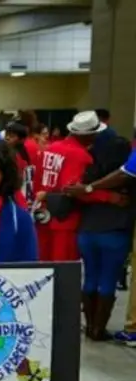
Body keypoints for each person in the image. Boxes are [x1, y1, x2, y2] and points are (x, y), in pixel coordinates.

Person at [60, 111, 134, 341]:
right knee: (108, 280)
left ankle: (89, 325)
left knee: (90, 277)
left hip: (86, 231)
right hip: (115, 231)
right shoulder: (126, 182)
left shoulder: (89, 169)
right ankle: (99, 330)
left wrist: (90, 189)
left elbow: (76, 192)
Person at [35, 111, 121, 263]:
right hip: (66, 221)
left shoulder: (50, 148)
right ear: (87, 135)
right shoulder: (81, 156)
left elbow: (38, 181)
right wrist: (110, 197)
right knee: (64, 272)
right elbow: (76, 191)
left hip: (42, 216)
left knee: (43, 268)